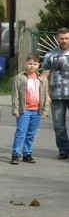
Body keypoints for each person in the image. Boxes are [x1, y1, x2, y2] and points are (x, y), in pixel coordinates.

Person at [11, 54, 49, 165]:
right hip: (24, 110)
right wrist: (16, 109)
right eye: (30, 63)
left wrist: (45, 110)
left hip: (36, 111)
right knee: (20, 133)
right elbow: (15, 94)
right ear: (25, 64)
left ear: (38, 65)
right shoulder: (20, 77)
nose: (32, 66)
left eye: (34, 64)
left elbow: (45, 95)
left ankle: (27, 153)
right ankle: (16, 154)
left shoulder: (41, 79)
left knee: (31, 134)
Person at [41, 27, 69, 160]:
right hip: (57, 96)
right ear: (57, 39)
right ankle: (64, 150)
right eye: (62, 38)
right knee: (59, 125)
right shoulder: (50, 55)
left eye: (67, 38)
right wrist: (46, 95)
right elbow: (45, 77)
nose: (64, 41)